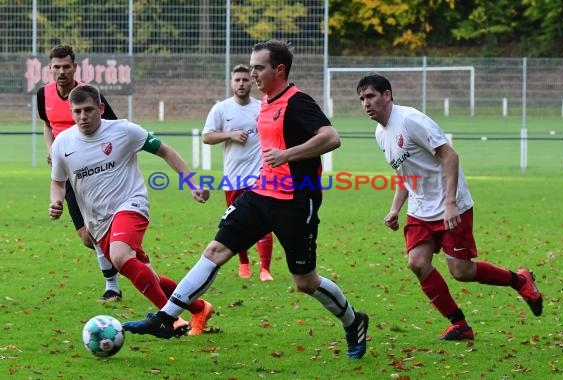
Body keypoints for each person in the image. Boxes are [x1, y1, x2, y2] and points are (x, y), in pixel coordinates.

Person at [123, 40, 369, 360]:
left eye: (258, 67)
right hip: (259, 194)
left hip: (295, 201)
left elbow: (331, 138)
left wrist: (286, 155)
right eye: (250, 67)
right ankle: (165, 319)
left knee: (305, 281)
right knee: (215, 250)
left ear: (279, 70)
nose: (252, 73)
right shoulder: (266, 101)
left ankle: (354, 322)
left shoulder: (297, 102)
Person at [356, 73, 543, 340]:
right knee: (417, 263)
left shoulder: (410, 121)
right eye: (362, 98)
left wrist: (451, 202)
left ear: (387, 95)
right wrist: (395, 208)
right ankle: (459, 324)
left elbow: (450, 156)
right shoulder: (380, 133)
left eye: (371, 96)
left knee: (462, 271)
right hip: (420, 210)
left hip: (450, 206)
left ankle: (520, 280)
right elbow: (405, 173)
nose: (366, 103)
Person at [48, 84, 214, 336]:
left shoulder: (123, 130)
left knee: (119, 256)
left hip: (131, 204)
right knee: (145, 274)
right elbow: (58, 182)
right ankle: (200, 308)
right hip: (98, 222)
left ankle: (169, 319)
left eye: (89, 110)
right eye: (77, 111)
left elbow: (165, 151)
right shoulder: (62, 143)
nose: (83, 117)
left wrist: (192, 182)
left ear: (101, 108)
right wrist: (56, 201)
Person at [38, 44, 123, 303]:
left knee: (100, 230)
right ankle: (128, 257)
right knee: (87, 236)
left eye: (66, 67)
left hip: (94, 171)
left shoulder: (87, 94)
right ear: (50, 69)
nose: (61, 71)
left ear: (75, 67)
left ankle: (113, 287)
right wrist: (52, 151)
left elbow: (113, 125)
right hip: (67, 174)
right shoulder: (43, 94)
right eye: (57, 67)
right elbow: (47, 126)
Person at [202, 63, 274, 281]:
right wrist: (229, 135)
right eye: (238, 80)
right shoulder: (221, 109)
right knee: (237, 222)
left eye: (245, 79)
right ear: (231, 83)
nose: (242, 83)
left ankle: (265, 269)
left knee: (264, 221)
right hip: (234, 178)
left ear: (252, 81)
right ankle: (244, 263)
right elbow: (207, 137)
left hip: (259, 175)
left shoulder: (262, 107)